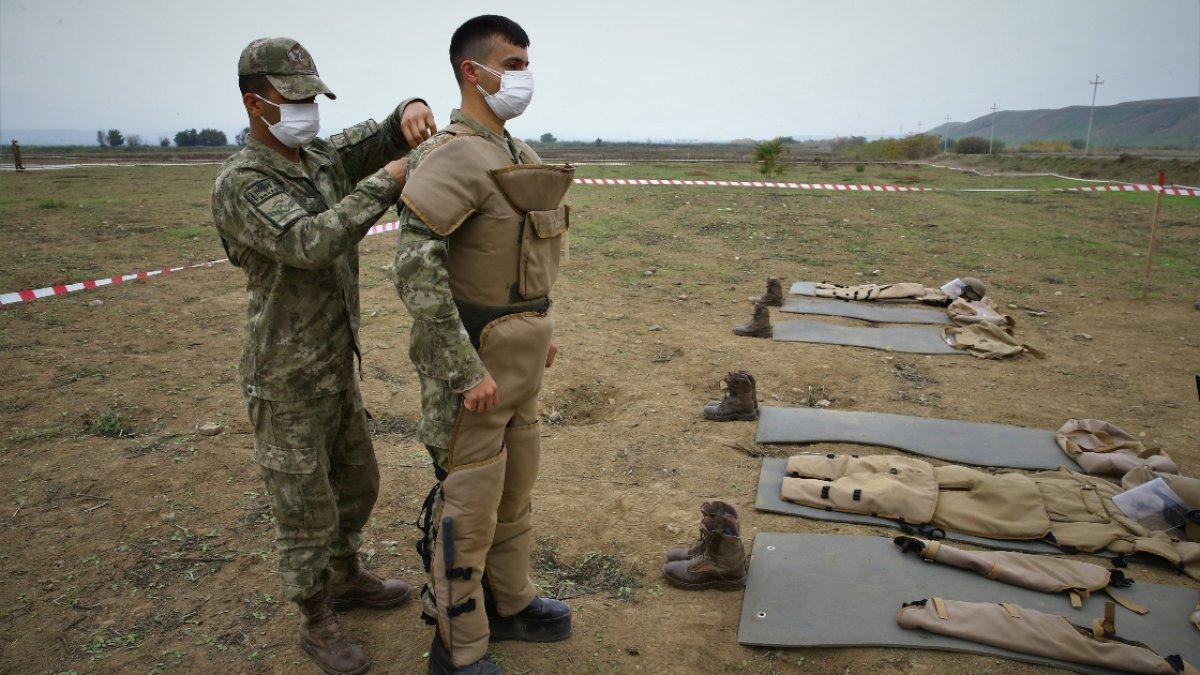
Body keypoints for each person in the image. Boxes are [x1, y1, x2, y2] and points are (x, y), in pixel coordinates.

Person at [210, 37, 437, 675]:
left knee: (356, 482)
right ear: (255, 102)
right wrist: (389, 183)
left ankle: (345, 576)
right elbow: (311, 241)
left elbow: (378, 135)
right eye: (294, 98)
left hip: (336, 364)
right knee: (302, 503)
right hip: (284, 376)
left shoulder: (318, 155)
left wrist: (409, 112)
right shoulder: (243, 182)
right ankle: (316, 618)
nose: (308, 107)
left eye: (313, 95)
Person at [393, 15, 573, 675]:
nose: (522, 75)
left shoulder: (517, 155)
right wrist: (461, 369)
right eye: (512, 63)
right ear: (473, 71)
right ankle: (458, 641)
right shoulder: (451, 156)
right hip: (474, 370)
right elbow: (415, 272)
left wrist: (539, 333)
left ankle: (511, 599)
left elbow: (527, 259)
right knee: (469, 499)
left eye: (526, 62)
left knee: (515, 487)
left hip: (520, 367)